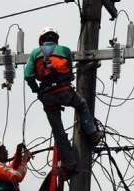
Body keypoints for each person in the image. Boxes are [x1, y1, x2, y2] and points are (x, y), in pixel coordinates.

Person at [24, 26, 103, 178]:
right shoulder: (65, 50)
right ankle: (92, 133)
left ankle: (69, 163)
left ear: (42, 40)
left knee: (58, 130)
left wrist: (36, 90)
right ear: (56, 39)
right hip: (64, 91)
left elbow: (28, 76)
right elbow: (70, 73)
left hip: (47, 95)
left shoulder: (35, 53)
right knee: (81, 104)